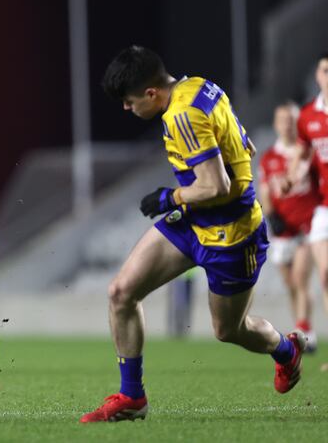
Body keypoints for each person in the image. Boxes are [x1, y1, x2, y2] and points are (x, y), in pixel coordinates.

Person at [80, 45, 306, 423]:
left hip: (231, 233)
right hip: (195, 220)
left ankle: (285, 350)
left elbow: (215, 185)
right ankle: (132, 396)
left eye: (130, 101)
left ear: (152, 93)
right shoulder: (200, 86)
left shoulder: (182, 113)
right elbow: (242, 145)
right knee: (121, 292)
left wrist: (169, 196)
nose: (127, 108)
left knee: (229, 330)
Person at [259, 102, 321, 351]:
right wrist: (270, 214)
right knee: (291, 285)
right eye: (282, 120)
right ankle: (303, 327)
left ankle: (304, 328)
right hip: (283, 228)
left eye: (291, 120)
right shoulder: (270, 157)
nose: (287, 125)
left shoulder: (309, 153)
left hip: (308, 224)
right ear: (276, 124)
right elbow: (265, 190)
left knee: (300, 278)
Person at [286, 52, 328, 356]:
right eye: (325, 71)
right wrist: (292, 176)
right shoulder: (308, 116)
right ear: (317, 75)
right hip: (323, 207)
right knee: (324, 274)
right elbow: (302, 156)